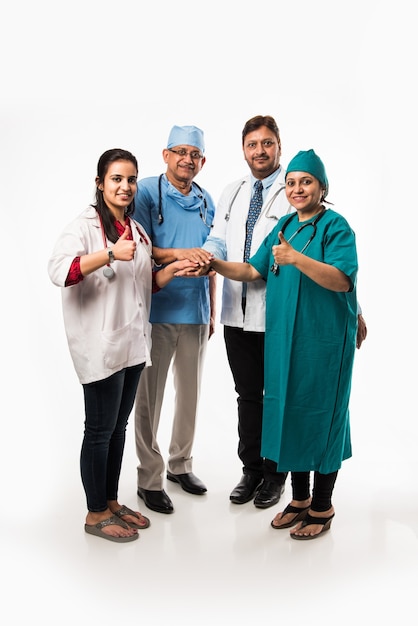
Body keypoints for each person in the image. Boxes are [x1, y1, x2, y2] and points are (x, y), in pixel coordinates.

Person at [202, 115, 367, 510]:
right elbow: (248, 267)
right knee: (269, 403)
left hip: (316, 337)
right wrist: (212, 264)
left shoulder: (335, 225)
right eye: (292, 183)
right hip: (272, 329)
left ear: (321, 186)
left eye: (305, 182)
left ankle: (311, 500)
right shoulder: (276, 221)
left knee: (315, 410)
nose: (296, 188)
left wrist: (297, 260)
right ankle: (281, 489)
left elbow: (344, 278)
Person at [48, 148, 196, 542]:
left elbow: (143, 282)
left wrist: (173, 271)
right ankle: (95, 513)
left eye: (131, 179)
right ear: (100, 183)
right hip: (99, 346)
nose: (126, 186)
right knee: (98, 430)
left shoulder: (136, 229)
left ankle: (111, 502)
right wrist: (110, 253)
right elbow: (60, 271)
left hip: (132, 346)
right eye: (116, 179)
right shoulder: (82, 227)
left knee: (117, 430)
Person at [133, 125, 216, 514]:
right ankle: (149, 477)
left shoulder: (206, 200)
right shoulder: (147, 192)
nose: (187, 159)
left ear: (202, 161)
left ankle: (180, 465)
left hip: (196, 311)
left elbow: (212, 259)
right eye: (179, 151)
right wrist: (185, 253)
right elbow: (144, 249)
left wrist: (212, 310)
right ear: (165, 155)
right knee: (149, 399)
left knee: (190, 396)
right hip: (158, 310)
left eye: (194, 154)